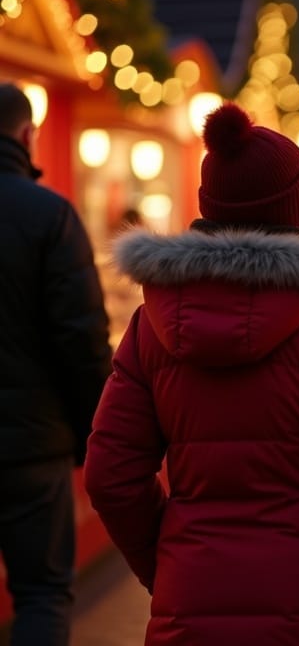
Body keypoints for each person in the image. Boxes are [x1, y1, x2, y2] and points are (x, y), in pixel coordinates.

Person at [84, 102, 299, 645]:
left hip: (191, 597)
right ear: (298, 212)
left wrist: (167, 562)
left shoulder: (152, 325)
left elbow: (109, 474)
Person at [0, 82, 112, 645]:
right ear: (27, 135)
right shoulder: (50, 216)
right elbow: (82, 339)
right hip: (31, 448)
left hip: (34, 441)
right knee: (43, 593)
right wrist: (98, 433)